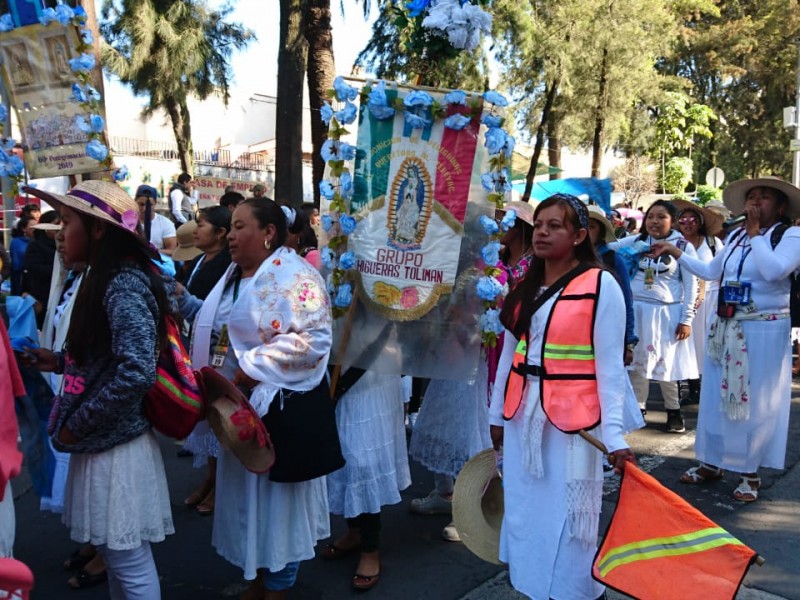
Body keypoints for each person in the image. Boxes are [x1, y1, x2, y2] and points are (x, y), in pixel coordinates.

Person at [178, 197, 341, 599]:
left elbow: (316, 339)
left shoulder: (297, 276)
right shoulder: (232, 276)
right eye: (230, 227)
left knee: (277, 506)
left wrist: (253, 367)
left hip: (280, 412)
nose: (230, 235)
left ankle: (278, 584)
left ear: (268, 233)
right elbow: (220, 329)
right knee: (249, 505)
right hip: (238, 408)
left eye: (239, 226)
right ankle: (257, 578)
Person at [20, 180, 175, 599]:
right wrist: (60, 361)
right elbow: (109, 360)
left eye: (67, 222)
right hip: (104, 442)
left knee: (127, 558)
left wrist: (77, 426)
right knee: (118, 555)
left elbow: (136, 372)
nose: (59, 236)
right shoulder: (103, 278)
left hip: (114, 446)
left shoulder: (120, 284)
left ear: (99, 230)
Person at [489, 194, 634, 600]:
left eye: (555, 226)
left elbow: (609, 367)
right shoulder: (525, 285)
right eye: (539, 225)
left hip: (573, 424)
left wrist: (616, 436)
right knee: (526, 509)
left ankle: (575, 592)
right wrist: (496, 414)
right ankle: (533, 588)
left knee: (571, 519)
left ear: (579, 236)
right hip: (522, 417)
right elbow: (510, 355)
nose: (542, 232)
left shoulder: (601, 284)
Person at [651, 178, 800, 503]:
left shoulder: (791, 236)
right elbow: (710, 271)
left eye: (764, 198)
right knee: (718, 399)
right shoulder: (734, 236)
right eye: (752, 197)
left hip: (764, 331)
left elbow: (774, 271)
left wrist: (757, 234)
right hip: (727, 327)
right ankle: (711, 462)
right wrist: (677, 251)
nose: (755, 203)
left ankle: (750, 474)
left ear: (781, 207)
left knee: (753, 401)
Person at [612, 200, 698, 433]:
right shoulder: (634, 242)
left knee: (667, 364)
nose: (655, 221)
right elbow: (607, 248)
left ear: (673, 221)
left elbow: (692, 285)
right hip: (636, 310)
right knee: (637, 363)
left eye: (661, 217)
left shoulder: (682, 246)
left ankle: (673, 410)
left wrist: (686, 319)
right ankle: (638, 408)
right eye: (651, 216)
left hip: (667, 313)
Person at [323, 369, 411, 591]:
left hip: (373, 380)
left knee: (363, 466)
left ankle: (370, 549)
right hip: (336, 376)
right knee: (344, 460)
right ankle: (354, 531)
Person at [176, 206, 232, 514]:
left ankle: (220, 483)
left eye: (201, 225)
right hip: (196, 343)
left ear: (220, 234)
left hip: (218, 347)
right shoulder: (198, 260)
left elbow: (220, 313)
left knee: (218, 414)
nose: (195, 230)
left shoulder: (228, 264)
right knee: (205, 416)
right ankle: (209, 478)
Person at [673, 199, 725, 403]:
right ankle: (690, 386)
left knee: (707, 342)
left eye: (692, 219)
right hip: (683, 298)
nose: (687, 223)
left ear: (700, 222)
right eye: (683, 219)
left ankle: (707, 385)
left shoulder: (713, 243)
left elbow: (721, 271)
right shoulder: (675, 243)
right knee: (686, 343)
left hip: (710, 298)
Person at [21, 211, 61, 327]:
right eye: (56, 224)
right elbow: (34, 269)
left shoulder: (60, 244)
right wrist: (59, 269)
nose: (59, 228)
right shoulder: (36, 246)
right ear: (45, 227)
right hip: (41, 297)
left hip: (59, 295)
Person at [135, 185, 177, 255]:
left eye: (149, 205)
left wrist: (152, 251)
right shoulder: (128, 221)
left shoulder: (166, 224)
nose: (145, 208)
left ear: (155, 204)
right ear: (135, 202)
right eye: (141, 204)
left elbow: (172, 251)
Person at [9, 214, 37, 295]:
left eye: (37, 225)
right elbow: (16, 264)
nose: (35, 227)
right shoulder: (16, 242)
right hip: (21, 279)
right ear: (24, 228)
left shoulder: (37, 241)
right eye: (32, 225)